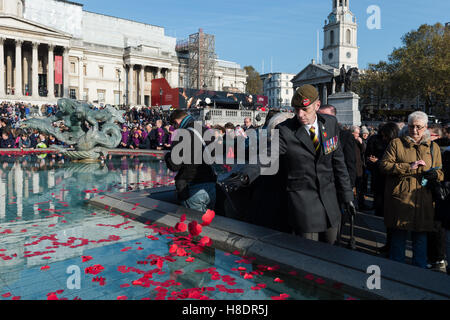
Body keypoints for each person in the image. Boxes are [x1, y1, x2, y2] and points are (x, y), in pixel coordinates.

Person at [224, 85, 355, 245]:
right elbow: (266, 157)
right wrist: (244, 176)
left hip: (330, 203)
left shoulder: (331, 123)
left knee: (334, 251)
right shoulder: (286, 130)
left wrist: (347, 196)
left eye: (305, 109)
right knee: (309, 256)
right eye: (296, 109)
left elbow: (339, 163)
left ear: (317, 105)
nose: (300, 115)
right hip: (304, 205)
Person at [380, 111, 444, 268]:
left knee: (421, 238)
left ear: (426, 127)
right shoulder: (397, 143)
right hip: (401, 198)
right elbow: (384, 165)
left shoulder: (433, 147)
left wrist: (434, 174)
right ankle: (397, 273)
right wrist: (409, 166)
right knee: (398, 238)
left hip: (424, 200)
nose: (414, 130)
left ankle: (419, 274)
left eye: (419, 127)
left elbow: (441, 172)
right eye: (411, 126)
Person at [164, 110, 217, 213]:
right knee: (208, 226)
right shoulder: (205, 131)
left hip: (192, 187)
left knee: (194, 226)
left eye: (173, 126)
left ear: (176, 122)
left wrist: (167, 156)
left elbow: (175, 165)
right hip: (210, 186)